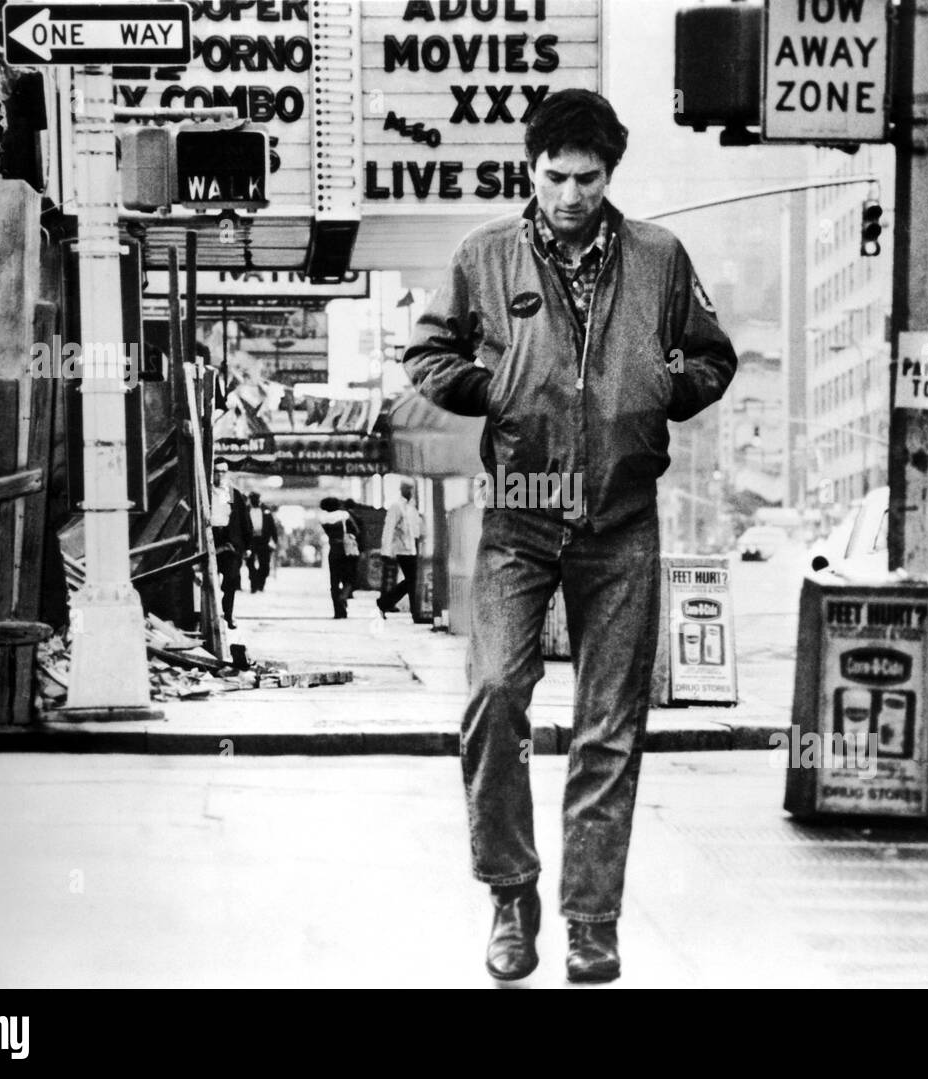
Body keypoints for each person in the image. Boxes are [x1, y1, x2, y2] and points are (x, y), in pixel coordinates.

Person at [402, 89, 736, 983]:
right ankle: (511, 893)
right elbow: (427, 354)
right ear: (531, 170)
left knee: (608, 728)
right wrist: (494, 386)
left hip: (622, 519)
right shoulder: (485, 255)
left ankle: (591, 920)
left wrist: (664, 388)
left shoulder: (661, 258)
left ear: (610, 175)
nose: (570, 196)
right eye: (555, 177)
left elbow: (714, 357)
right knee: (495, 699)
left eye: (588, 179)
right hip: (518, 512)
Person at [209, 460, 252, 630]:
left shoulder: (232, 493)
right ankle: (211, 614)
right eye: (217, 471)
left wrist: (247, 545)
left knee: (231, 579)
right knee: (210, 579)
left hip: (231, 541)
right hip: (212, 539)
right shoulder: (206, 491)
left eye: (223, 472)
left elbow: (244, 520)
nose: (220, 475)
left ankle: (228, 612)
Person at [376, 479, 423, 621]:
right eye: (407, 488)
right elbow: (389, 528)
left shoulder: (412, 507)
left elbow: (416, 529)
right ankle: (415, 612)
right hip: (401, 549)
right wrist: (386, 550)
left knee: (411, 580)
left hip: (413, 549)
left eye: (411, 489)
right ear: (402, 490)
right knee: (412, 580)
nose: (410, 491)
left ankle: (384, 603)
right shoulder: (396, 507)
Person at [319, 496, 361, 620]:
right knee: (349, 578)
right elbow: (356, 531)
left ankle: (338, 612)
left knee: (334, 581)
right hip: (346, 551)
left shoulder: (324, 519)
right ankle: (344, 596)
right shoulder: (345, 516)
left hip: (333, 551)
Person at [245, 492, 279, 593]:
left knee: (265, 566)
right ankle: (253, 585)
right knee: (250, 564)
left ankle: (260, 583)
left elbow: (272, 527)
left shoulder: (266, 510)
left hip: (263, 541)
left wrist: (274, 541)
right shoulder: (246, 510)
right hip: (250, 541)